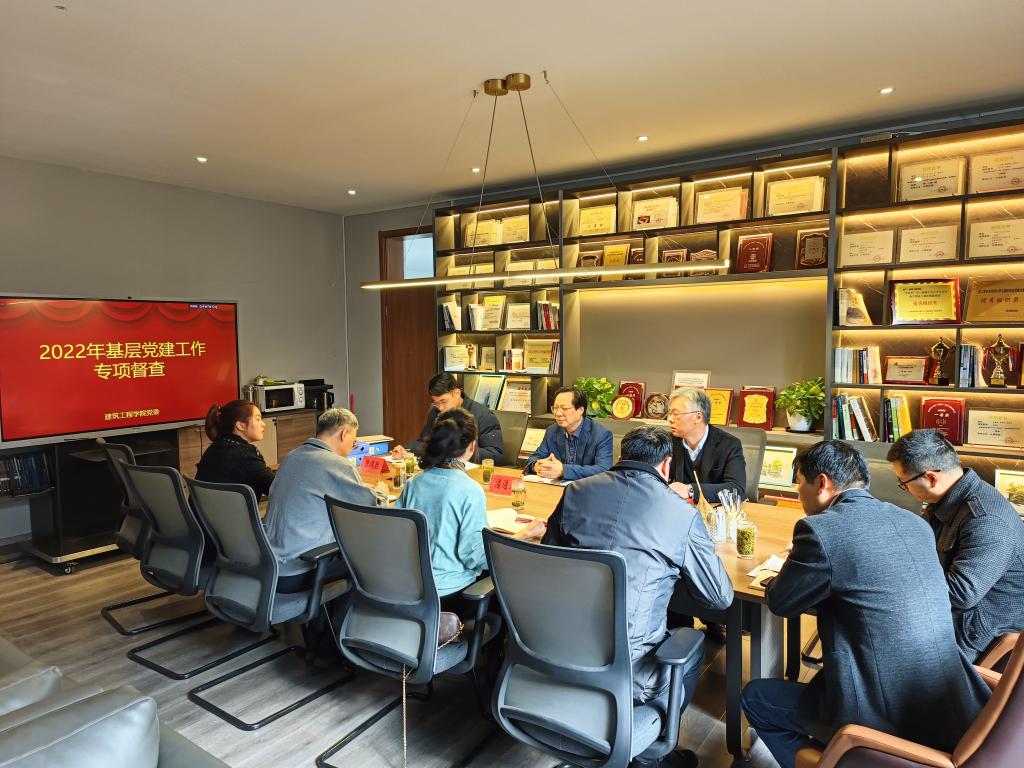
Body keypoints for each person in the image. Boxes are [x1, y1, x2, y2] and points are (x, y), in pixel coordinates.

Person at [741, 440, 989, 768]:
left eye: (799, 484)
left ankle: (836, 760)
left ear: (822, 483)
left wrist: (788, 567)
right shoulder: (915, 524)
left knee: (754, 698)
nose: (799, 494)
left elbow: (781, 603)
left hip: (883, 713)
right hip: (954, 700)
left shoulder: (819, 530)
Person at [542, 425, 732, 768]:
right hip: (630, 671)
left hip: (559, 648)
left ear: (621, 455)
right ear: (666, 465)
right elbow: (719, 597)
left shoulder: (576, 491)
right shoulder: (681, 513)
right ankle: (649, 755)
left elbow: (549, 557)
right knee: (690, 645)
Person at [888, 429, 1024, 661]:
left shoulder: (986, 520)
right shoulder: (948, 499)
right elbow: (913, 542)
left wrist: (895, 582)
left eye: (903, 482)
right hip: (953, 617)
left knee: (876, 645)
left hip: (977, 633)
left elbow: (961, 594)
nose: (904, 487)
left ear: (931, 478)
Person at [397, 407, 542, 599]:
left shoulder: (414, 483)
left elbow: (397, 532)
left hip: (407, 583)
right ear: (472, 446)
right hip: (448, 591)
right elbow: (475, 557)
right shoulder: (469, 490)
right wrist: (524, 534)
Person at [264, 408, 380, 592]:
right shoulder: (337, 464)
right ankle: (342, 611)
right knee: (368, 560)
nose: (352, 448)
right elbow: (369, 510)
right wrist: (380, 492)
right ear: (344, 433)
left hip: (270, 564)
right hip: (300, 569)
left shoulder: (292, 456)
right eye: (354, 442)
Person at [392, 373, 503, 464]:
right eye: (436, 403)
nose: (440, 408)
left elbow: (495, 456)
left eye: (443, 401)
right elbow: (424, 441)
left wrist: (458, 451)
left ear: (457, 393)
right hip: (442, 470)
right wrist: (405, 449)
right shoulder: (435, 412)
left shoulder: (483, 416)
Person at [667, 388, 746, 503]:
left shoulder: (729, 445)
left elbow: (737, 489)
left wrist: (690, 490)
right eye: (669, 413)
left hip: (715, 510)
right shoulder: (668, 442)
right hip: (681, 508)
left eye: (675, 414)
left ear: (698, 417)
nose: (669, 419)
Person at [524, 386, 613, 481]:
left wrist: (564, 470)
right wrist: (537, 466)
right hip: (556, 487)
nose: (558, 413)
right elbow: (534, 459)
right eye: (555, 408)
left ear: (580, 410)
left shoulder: (601, 434)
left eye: (564, 408)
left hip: (586, 488)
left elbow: (604, 470)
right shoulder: (552, 431)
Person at [195, 399, 276, 499]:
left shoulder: (213, 448)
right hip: (230, 509)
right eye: (258, 419)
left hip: (204, 509)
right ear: (241, 426)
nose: (263, 424)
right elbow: (277, 489)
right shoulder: (246, 456)